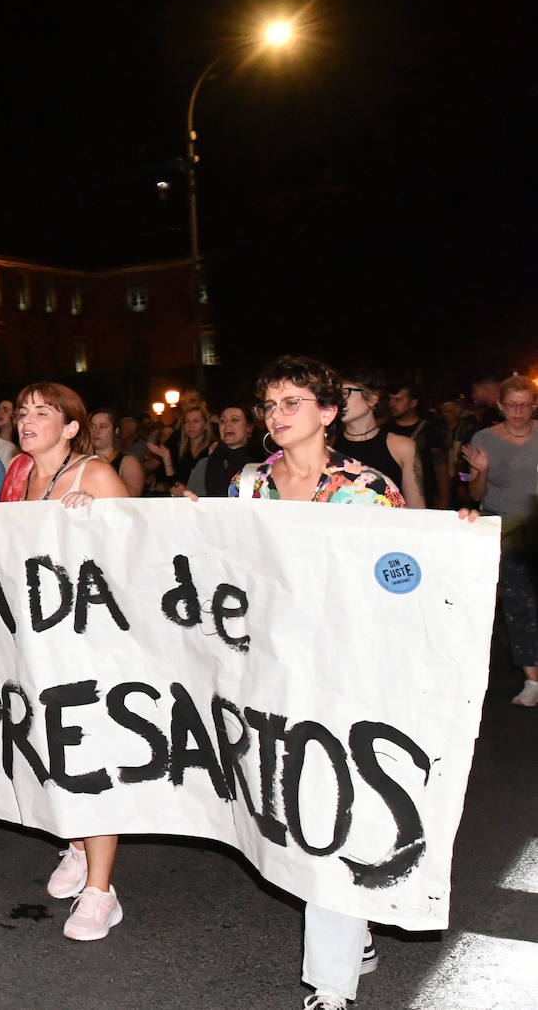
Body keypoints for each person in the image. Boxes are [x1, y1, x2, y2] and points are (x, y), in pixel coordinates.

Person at [228, 356, 406, 1009]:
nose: (276, 416)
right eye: (270, 405)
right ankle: (354, 930)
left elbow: (402, 571)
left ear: (328, 412)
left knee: (334, 808)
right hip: (272, 669)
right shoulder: (247, 484)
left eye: (292, 402)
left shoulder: (366, 488)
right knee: (294, 809)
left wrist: (448, 541)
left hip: (346, 668)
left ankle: (331, 983)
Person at [0, 383, 131, 942]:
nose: (27, 421)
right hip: (38, 639)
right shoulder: (22, 476)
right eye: (23, 412)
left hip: (90, 641)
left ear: (72, 427)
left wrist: (98, 521)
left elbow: (139, 553)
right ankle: (75, 845)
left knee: (90, 756)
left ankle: (102, 891)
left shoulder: (95, 475)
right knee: (53, 748)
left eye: (43, 413)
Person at [461, 374, 538, 707]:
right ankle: (532, 680)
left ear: (534, 405)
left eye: (524, 405)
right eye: (511, 405)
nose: (518, 412)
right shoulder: (484, 439)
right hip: (504, 530)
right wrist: (482, 472)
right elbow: (476, 493)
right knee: (519, 604)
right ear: (500, 405)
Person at [336, 370, 425, 509]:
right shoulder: (328, 444)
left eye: (345, 392)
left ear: (372, 399)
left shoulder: (402, 447)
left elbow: (416, 508)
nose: (338, 401)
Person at [186, 405, 263, 498]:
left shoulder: (262, 464)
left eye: (234, 420)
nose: (227, 424)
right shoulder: (204, 465)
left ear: (249, 427)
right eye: (222, 421)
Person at [89, 406, 144, 498]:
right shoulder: (82, 459)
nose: (96, 431)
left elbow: (133, 497)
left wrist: (108, 471)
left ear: (116, 430)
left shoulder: (128, 461)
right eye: (92, 427)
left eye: (103, 427)